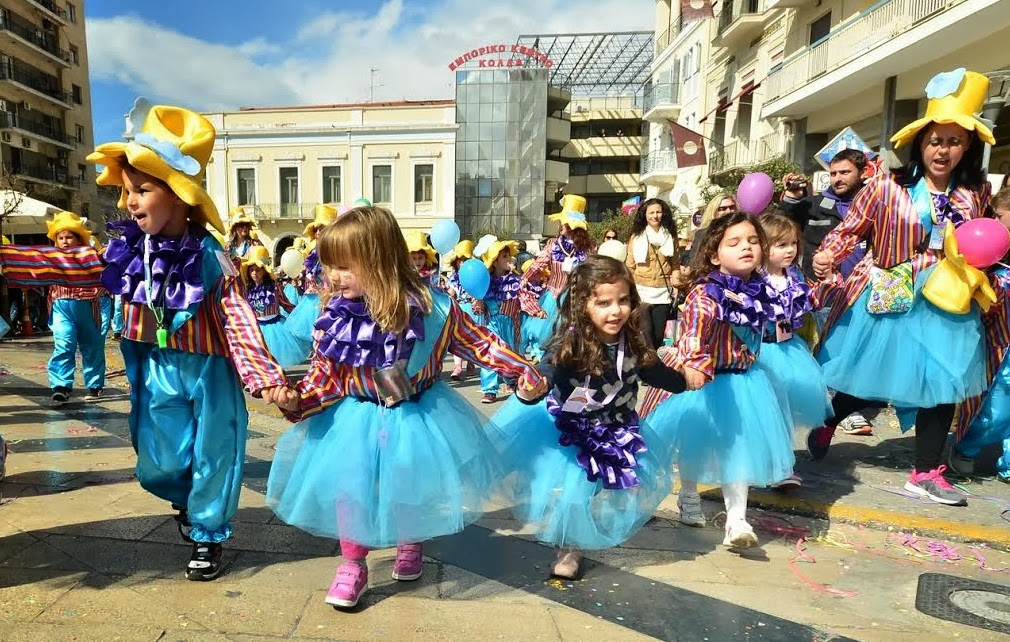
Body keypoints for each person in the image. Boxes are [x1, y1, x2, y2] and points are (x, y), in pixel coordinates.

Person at [0, 99, 290, 579]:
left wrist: (264, 377)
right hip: (156, 366)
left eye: (142, 189)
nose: (129, 201)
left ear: (177, 194)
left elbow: (236, 314)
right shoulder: (123, 250)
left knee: (214, 453)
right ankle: (188, 502)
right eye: (128, 190)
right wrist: (9, 260)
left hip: (210, 369)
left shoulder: (210, 255)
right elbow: (67, 265)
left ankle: (207, 534)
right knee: (157, 464)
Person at [262, 206, 545, 610]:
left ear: (378, 261)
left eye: (344, 267)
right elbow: (325, 378)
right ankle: (352, 563)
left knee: (409, 480)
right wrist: (296, 400)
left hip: (417, 415)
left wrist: (522, 370)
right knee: (351, 488)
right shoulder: (334, 315)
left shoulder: (434, 309)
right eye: (330, 267)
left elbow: (481, 343)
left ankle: (410, 540)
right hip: (355, 416)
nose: (333, 277)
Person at [807, 69, 995, 506]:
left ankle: (927, 471)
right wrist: (826, 255)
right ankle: (829, 419)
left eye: (953, 141)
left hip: (949, 297)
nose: (942, 150)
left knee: (944, 382)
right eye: (935, 140)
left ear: (967, 146)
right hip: (896, 291)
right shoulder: (888, 187)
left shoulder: (975, 192)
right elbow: (850, 229)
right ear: (919, 143)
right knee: (872, 381)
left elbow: (979, 242)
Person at [487, 255, 686, 579]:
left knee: (617, 488)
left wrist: (684, 381)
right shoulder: (571, 343)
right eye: (604, 302)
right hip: (574, 427)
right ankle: (569, 548)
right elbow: (549, 368)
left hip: (618, 427)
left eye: (623, 301)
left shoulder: (634, 344)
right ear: (583, 305)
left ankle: (586, 523)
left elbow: (658, 373)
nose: (615, 311)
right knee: (575, 491)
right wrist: (534, 385)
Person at [640, 213, 795, 546]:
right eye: (734, 242)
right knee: (693, 445)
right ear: (714, 254)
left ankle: (736, 521)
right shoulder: (706, 293)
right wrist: (694, 364)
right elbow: (693, 329)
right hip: (705, 381)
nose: (746, 248)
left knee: (736, 448)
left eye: (753, 241)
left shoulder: (762, 290)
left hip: (745, 381)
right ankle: (690, 495)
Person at [755, 213, 833, 489]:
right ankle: (769, 464)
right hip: (761, 352)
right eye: (780, 245)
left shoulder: (794, 275)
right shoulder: (754, 279)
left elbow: (807, 303)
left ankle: (782, 466)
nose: (789, 250)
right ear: (763, 247)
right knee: (767, 411)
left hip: (789, 348)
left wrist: (824, 285)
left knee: (784, 409)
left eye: (792, 244)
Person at [949, 188, 1010, 479]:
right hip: (1001, 345)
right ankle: (967, 447)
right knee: (996, 406)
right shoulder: (992, 254)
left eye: (999, 215)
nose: (994, 221)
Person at [42, 211, 111, 404]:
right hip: (61, 307)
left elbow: (104, 266)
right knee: (64, 344)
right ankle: (61, 386)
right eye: (60, 237)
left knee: (92, 346)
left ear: (78, 238)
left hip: (88, 307)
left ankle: (95, 385)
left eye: (68, 237)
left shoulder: (91, 256)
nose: (64, 241)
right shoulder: (52, 258)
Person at [519, 195, 595, 357]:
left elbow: (592, 272)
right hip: (553, 297)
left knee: (573, 340)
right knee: (547, 337)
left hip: (577, 298)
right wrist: (524, 279)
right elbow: (539, 265)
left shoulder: (588, 248)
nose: (561, 225)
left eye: (564, 222)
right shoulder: (553, 244)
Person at [625, 198, 682, 348]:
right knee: (645, 333)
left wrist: (676, 286)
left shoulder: (670, 236)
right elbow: (630, 266)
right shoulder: (637, 237)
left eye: (658, 212)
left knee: (658, 336)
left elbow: (675, 264)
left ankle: (653, 363)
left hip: (663, 291)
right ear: (645, 215)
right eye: (651, 212)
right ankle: (646, 366)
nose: (655, 216)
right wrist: (627, 289)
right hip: (641, 290)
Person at [473, 235, 523, 404]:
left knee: (511, 353)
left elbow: (525, 299)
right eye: (504, 256)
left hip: (512, 324)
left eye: (509, 255)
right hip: (492, 324)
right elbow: (478, 302)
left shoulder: (516, 281)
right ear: (494, 262)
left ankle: (511, 381)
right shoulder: (485, 282)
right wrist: (478, 304)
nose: (509, 258)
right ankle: (489, 389)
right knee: (491, 354)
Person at [284, 204, 339, 347]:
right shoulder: (314, 252)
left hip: (331, 302)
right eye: (317, 229)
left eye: (323, 228)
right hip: (314, 301)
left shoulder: (336, 252)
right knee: (318, 341)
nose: (319, 232)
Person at [240, 246, 305, 368]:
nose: (255, 273)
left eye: (258, 270)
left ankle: (281, 379)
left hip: (276, 328)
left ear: (264, 271)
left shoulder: (274, 287)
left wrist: (299, 317)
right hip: (257, 328)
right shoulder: (246, 290)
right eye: (252, 270)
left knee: (277, 359)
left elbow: (286, 304)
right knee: (261, 360)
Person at [444, 239, 478, 381]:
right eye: (460, 260)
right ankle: (457, 366)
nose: (463, 263)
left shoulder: (475, 275)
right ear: (456, 262)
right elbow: (452, 291)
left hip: (473, 309)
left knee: (471, 339)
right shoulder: (453, 277)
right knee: (457, 338)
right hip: (459, 308)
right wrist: (448, 292)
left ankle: (471, 363)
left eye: (466, 259)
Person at [682, 192, 736, 267]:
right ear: (714, 211)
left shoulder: (744, 231)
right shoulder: (703, 234)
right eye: (723, 209)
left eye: (732, 207)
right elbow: (695, 263)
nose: (728, 211)